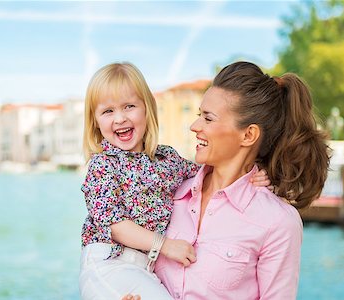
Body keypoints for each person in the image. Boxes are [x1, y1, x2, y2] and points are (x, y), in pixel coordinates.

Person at [78, 62, 270, 299]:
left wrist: (254, 174)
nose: (119, 118)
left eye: (129, 106)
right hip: (108, 264)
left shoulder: (167, 159)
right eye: (108, 111)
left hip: (145, 270)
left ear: (147, 109)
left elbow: (210, 172)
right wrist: (166, 245)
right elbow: (114, 225)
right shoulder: (102, 165)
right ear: (94, 120)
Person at [151, 61, 330, 299]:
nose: (195, 126)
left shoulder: (277, 222)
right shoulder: (167, 192)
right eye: (198, 115)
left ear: (248, 135)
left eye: (208, 118)